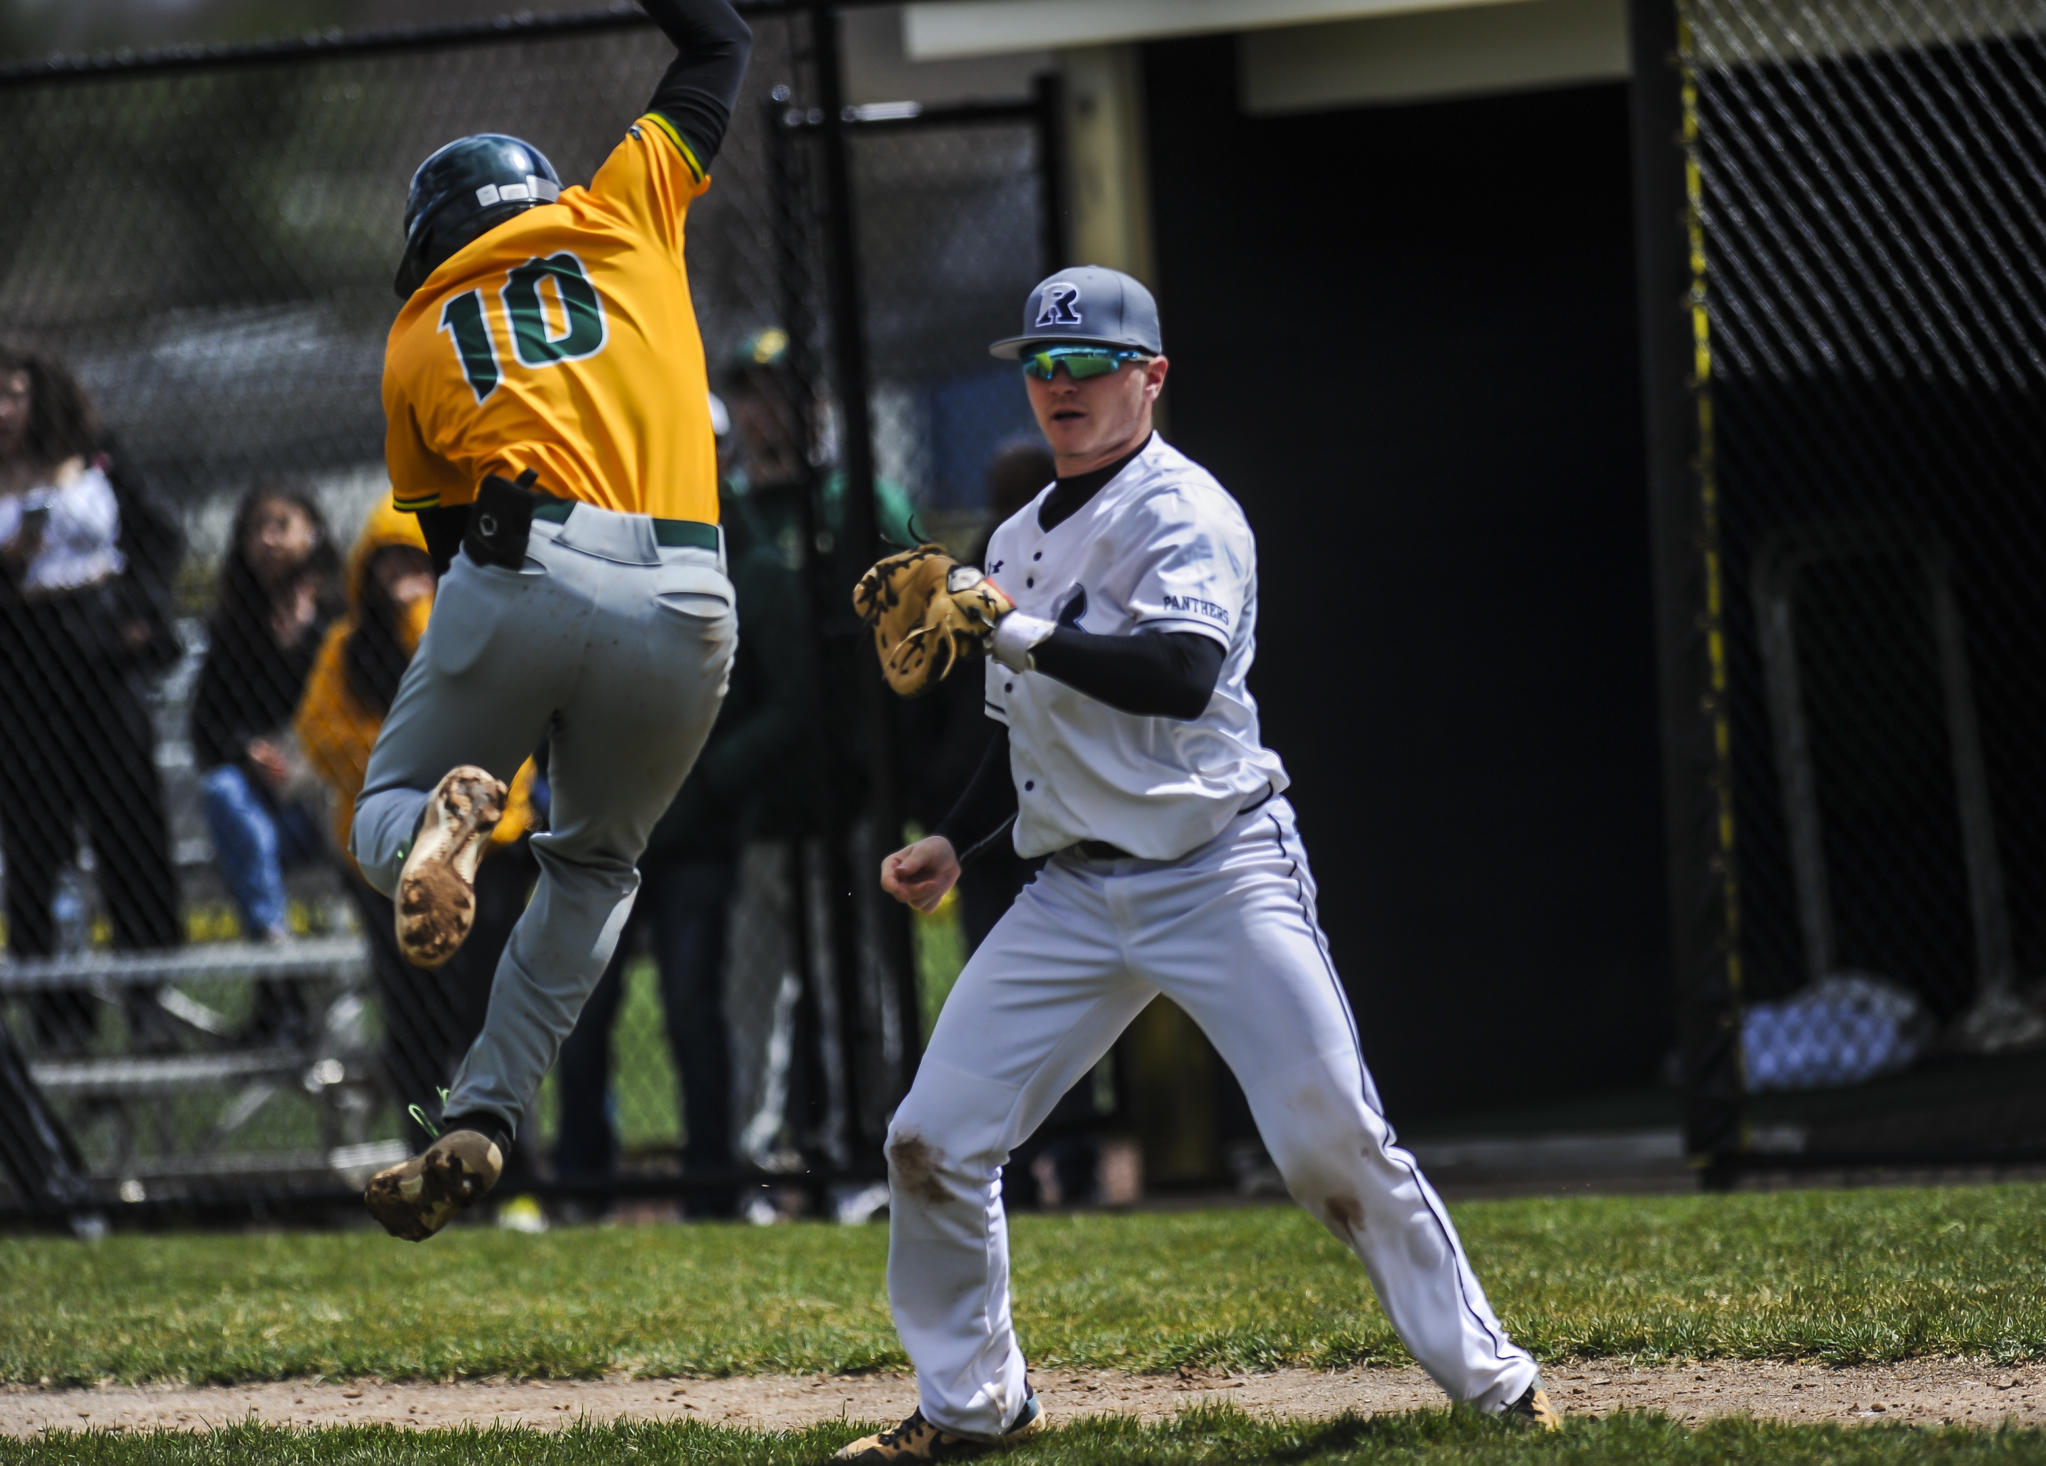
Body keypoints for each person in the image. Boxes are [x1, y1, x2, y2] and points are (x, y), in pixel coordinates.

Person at [839, 267, 1560, 1461]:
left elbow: (1175, 676)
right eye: (1041, 364)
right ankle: (973, 1405)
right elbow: (1022, 725)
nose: (1058, 385)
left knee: (1331, 1137)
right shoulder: (1017, 538)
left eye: (1087, 364)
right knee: (930, 1138)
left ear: (1150, 377)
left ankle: (1497, 1383)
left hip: (1218, 869)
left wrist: (1002, 620)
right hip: (1072, 889)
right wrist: (950, 841)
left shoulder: (1188, 511)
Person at [351, 0, 752, 1241]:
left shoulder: (416, 333)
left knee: (382, 798)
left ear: (428, 241)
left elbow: (442, 545)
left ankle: (433, 825)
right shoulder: (619, 206)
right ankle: (484, 1114)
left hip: (524, 557)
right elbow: (719, 43)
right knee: (594, 866)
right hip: (690, 592)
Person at [553, 480, 810, 1218]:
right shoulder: (598, 553)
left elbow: (786, 703)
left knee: (694, 1011)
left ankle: (709, 1186)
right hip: (606, 837)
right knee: (583, 1012)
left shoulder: (749, 568)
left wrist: (710, 781)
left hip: (694, 838)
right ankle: (581, 1186)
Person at [295, 496, 540, 1160]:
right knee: (413, 1022)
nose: (401, 577)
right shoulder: (346, 649)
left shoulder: (481, 628)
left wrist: (420, 617)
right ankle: (433, 1162)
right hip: (388, 861)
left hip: (484, 855)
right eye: (387, 564)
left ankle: (515, 1174)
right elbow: (324, 738)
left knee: (491, 1017)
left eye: (416, 560)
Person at [0, 345, 183, 1057]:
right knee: (36, 840)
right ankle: (61, 1017)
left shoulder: (95, 454)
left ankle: (150, 1002)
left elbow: (159, 535)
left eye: (12, 393)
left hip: (103, 649)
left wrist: (141, 609)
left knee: (128, 822)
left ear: (39, 394)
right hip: (21, 657)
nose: (3, 410)